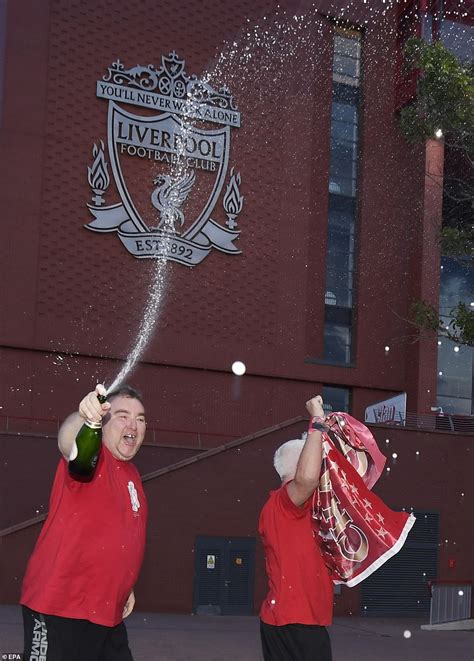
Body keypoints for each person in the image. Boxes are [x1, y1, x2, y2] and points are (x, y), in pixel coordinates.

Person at [20, 384, 148, 661]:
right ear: (103, 420)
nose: (133, 425)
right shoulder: (93, 457)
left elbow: (118, 534)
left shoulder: (132, 475)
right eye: (123, 415)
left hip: (107, 615)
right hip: (59, 608)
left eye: (140, 418)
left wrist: (125, 583)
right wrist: (85, 415)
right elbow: (67, 442)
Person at [259, 395, 333, 661]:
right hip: (295, 622)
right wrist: (317, 420)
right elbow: (308, 477)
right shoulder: (284, 501)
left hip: (294, 620)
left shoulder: (296, 505)